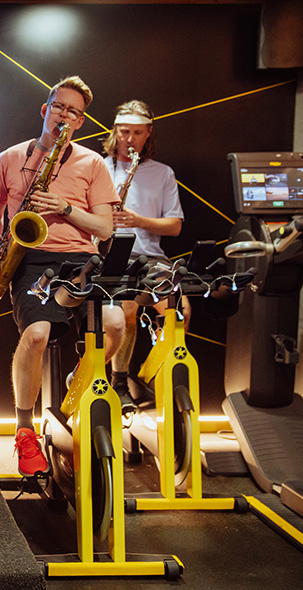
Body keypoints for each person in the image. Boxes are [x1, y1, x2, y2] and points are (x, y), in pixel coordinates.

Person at [0, 76, 125, 477]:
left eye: (74, 112)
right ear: (46, 110)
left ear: (80, 122)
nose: (65, 115)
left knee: (114, 323)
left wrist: (64, 207)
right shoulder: (11, 157)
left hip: (82, 259)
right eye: (59, 107)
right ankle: (24, 428)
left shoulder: (92, 163)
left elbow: (105, 228)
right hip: (30, 258)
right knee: (37, 335)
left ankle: (76, 386)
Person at [101, 100, 188, 412]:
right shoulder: (99, 167)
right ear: (115, 131)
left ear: (148, 133)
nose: (130, 139)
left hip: (152, 257)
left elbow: (175, 226)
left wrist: (138, 220)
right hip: (112, 255)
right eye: (125, 131)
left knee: (181, 311)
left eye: (138, 132)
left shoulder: (163, 173)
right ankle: (119, 381)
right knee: (125, 311)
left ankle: (152, 373)